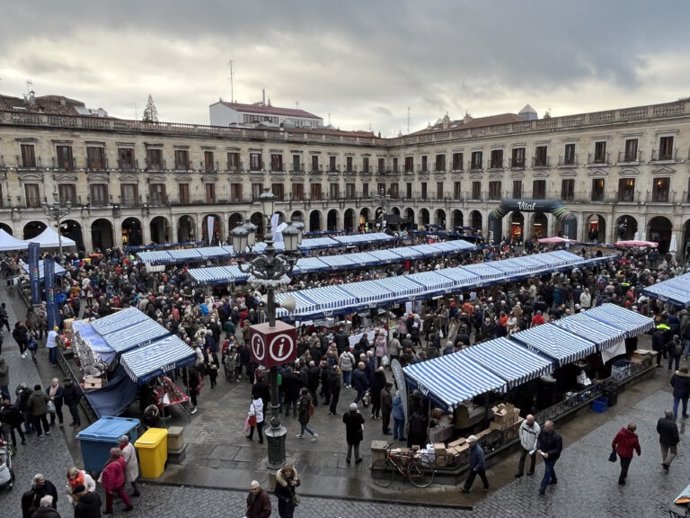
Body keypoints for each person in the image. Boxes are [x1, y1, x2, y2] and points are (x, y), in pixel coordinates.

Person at [100, 448, 133, 514]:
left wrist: (109, 488)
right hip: (120, 479)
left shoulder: (112, 465)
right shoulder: (121, 459)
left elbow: (111, 478)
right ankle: (129, 505)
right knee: (122, 493)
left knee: (109, 497)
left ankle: (109, 510)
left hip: (114, 482)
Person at [536, 420, 563, 495]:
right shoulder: (543, 431)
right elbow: (539, 439)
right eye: (545, 426)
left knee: (547, 470)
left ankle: (543, 487)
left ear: (551, 427)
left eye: (547, 427)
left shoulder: (557, 437)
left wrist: (549, 453)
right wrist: (538, 448)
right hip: (544, 454)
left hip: (552, 457)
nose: (545, 428)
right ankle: (554, 479)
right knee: (550, 468)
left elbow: (558, 449)